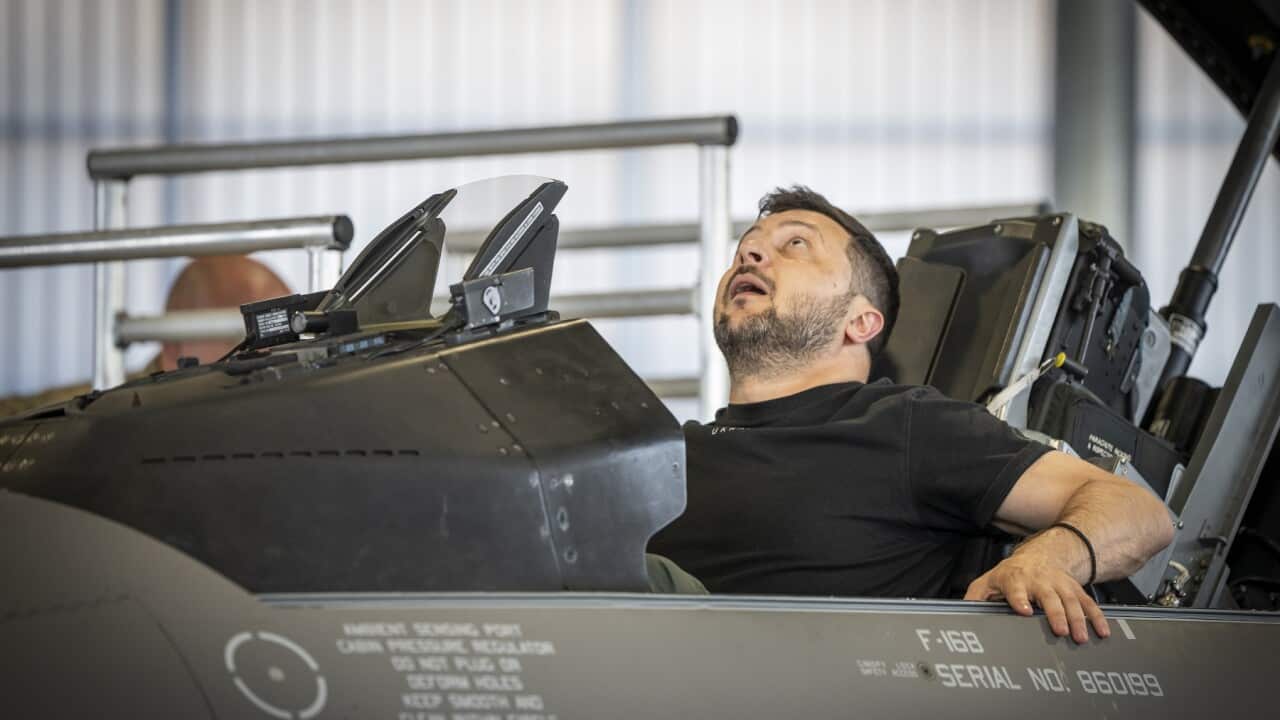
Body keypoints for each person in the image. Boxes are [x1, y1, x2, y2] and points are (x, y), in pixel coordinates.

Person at [648, 186, 1174, 644]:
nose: (753, 256)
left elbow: (1137, 511)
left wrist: (1048, 558)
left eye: (795, 245)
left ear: (860, 321)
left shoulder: (902, 425)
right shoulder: (661, 455)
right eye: (747, 249)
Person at [0, 255, 291, 416]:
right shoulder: (72, 418)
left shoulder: (287, 408)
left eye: (282, 340)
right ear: (173, 350)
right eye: (239, 347)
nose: (269, 366)